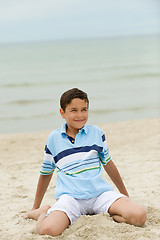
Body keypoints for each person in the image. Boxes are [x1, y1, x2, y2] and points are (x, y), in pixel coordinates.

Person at [23, 88, 147, 237]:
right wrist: (35, 206)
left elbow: (108, 164)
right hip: (71, 199)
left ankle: (107, 214)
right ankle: (42, 212)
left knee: (140, 216)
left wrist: (125, 195)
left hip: (100, 195)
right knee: (47, 230)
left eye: (84, 110)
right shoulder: (54, 139)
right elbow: (46, 173)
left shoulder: (96, 133)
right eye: (73, 110)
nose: (80, 115)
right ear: (62, 113)